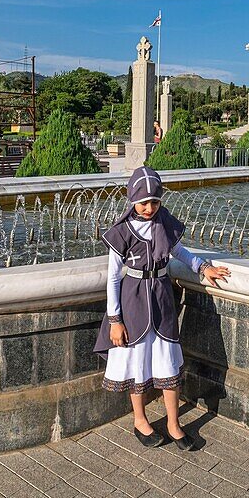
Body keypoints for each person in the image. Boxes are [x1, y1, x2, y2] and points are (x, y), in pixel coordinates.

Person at [94, 167, 230, 450]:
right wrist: (115, 320)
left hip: (162, 299)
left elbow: (178, 252)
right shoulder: (121, 233)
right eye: (143, 202)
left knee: (168, 359)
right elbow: (113, 279)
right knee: (137, 360)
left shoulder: (163, 221)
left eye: (154, 202)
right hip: (133, 302)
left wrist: (203, 267)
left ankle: (173, 423)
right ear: (132, 199)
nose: (149, 208)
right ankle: (140, 420)